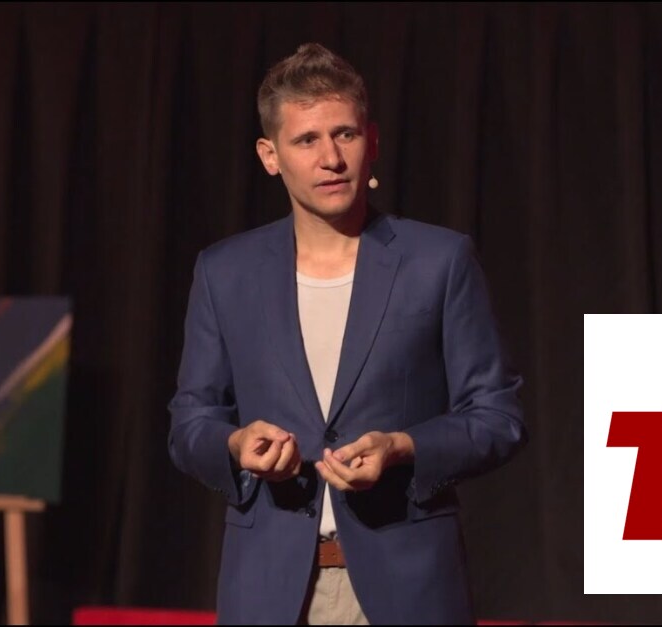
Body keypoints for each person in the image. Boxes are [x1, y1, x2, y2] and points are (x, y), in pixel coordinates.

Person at [168, 42, 527, 625]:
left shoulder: (439, 261)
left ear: (372, 141)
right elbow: (190, 423)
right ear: (270, 155)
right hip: (269, 592)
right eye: (307, 140)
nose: (331, 158)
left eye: (345, 134)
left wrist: (403, 447)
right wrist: (236, 445)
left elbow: (498, 417)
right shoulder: (225, 272)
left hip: (408, 589)